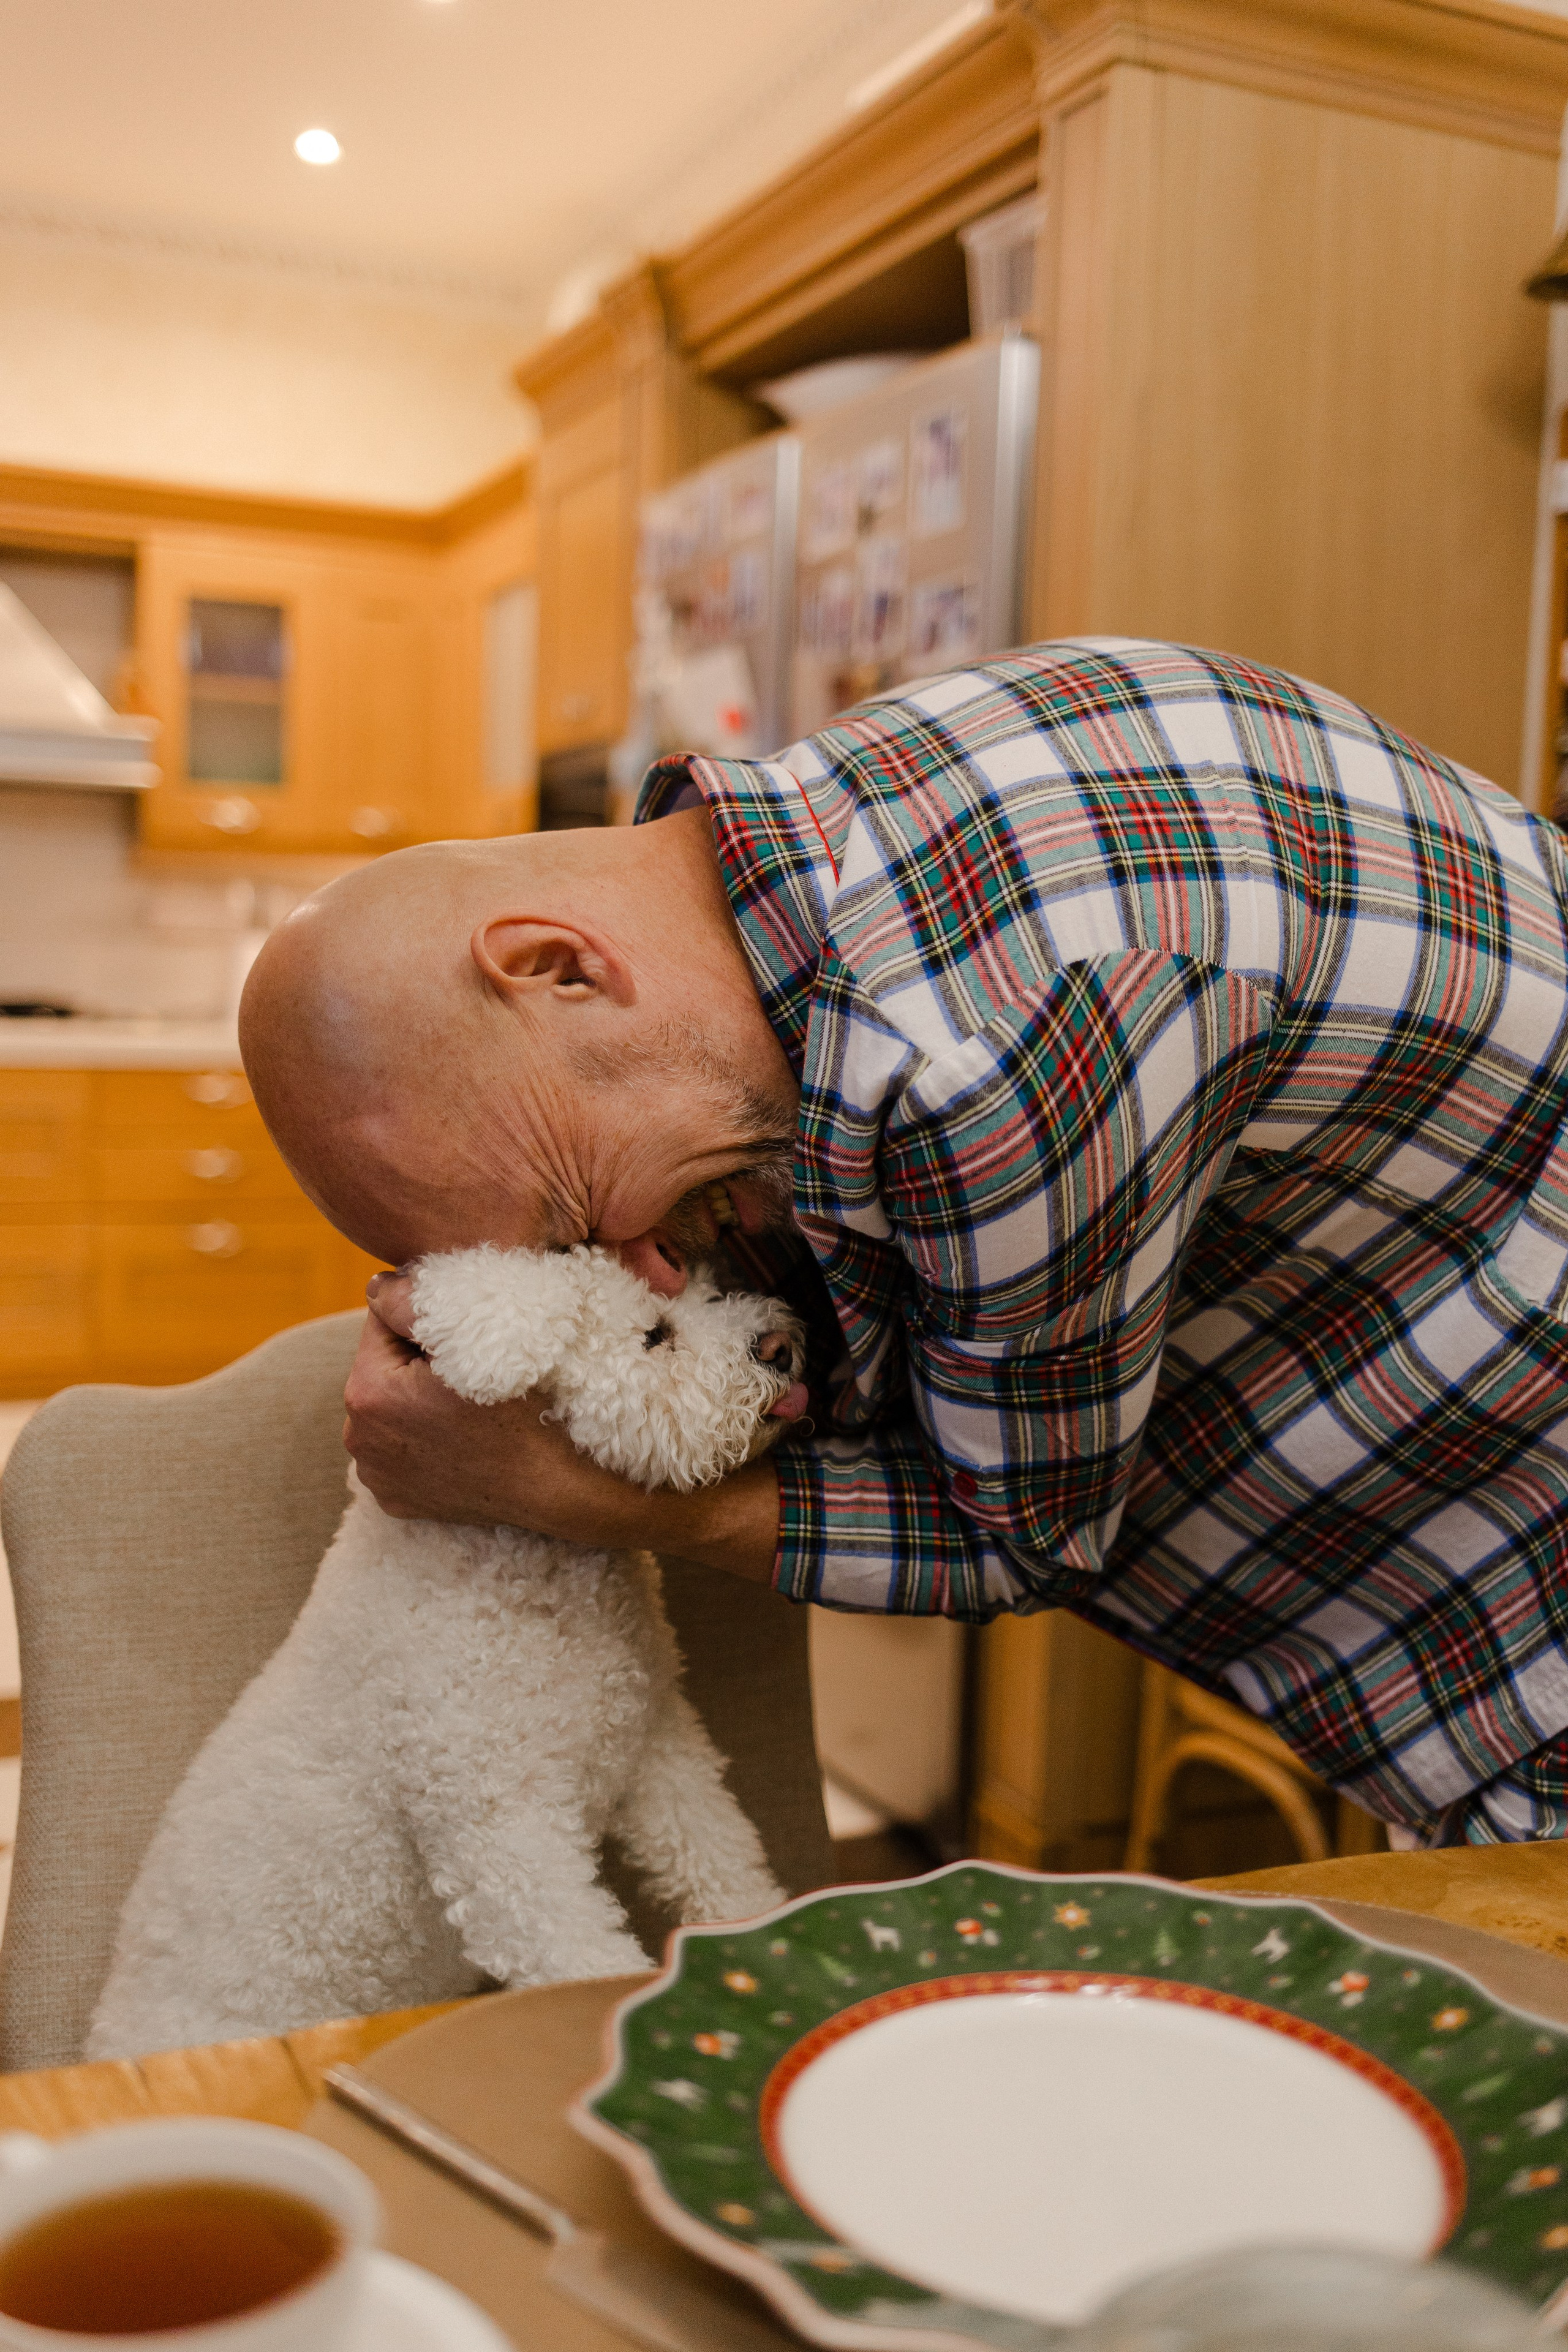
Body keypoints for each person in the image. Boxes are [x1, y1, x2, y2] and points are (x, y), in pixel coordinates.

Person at [240, 638, 1568, 1848]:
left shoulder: (989, 1054)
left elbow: (1021, 1538)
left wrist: (580, 1496)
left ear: (559, 968)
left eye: (578, 1215)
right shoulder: (845, 836)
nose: (644, 1269)